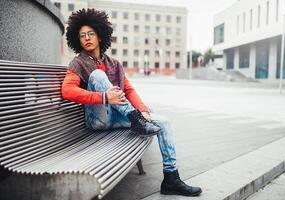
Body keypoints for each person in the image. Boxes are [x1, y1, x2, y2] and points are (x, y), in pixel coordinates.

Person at [62, 8, 202, 197]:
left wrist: (143, 110)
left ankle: (171, 178)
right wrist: (103, 97)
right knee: (97, 75)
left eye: (90, 34)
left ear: (100, 36)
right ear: (77, 40)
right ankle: (135, 117)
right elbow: (67, 90)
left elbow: (128, 90)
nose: (86, 38)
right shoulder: (78, 63)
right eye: (82, 36)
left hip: (119, 116)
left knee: (164, 122)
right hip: (98, 119)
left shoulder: (114, 64)